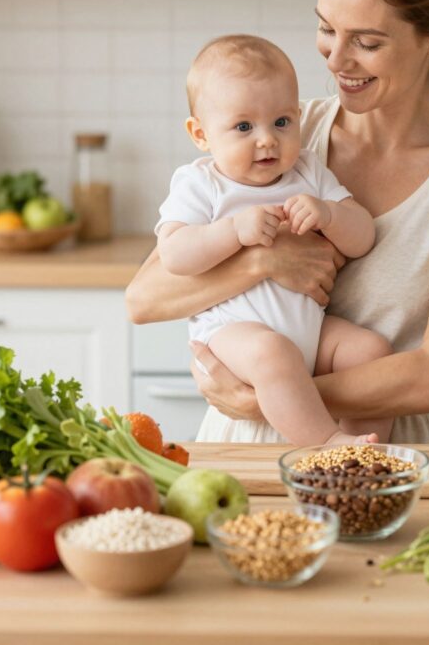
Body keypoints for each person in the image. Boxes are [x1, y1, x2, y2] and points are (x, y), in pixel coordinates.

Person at [126, 0, 429, 445]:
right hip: (242, 455)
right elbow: (145, 298)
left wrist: (269, 395)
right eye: (326, 29)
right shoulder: (282, 134)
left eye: (367, 42)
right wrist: (266, 261)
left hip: (392, 458)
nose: (336, 60)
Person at [155, 34, 393, 445]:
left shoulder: (307, 171)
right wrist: (232, 232)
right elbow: (174, 255)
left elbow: (363, 236)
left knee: (369, 350)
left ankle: (366, 453)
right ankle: (328, 446)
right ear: (201, 134)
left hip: (309, 332)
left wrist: (331, 214)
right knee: (273, 354)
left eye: (282, 122)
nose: (267, 139)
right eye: (243, 126)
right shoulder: (201, 183)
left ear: (298, 117)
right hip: (234, 334)